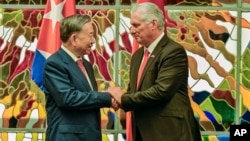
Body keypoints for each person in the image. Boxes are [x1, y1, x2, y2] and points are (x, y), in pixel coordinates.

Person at [106, 2, 202, 141]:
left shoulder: (173, 51)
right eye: (131, 25)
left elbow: (161, 91)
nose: (131, 31)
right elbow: (134, 92)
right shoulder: (138, 56)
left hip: (170, 133)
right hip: (142, 132)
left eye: (136, 25)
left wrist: (123, 98)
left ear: (153, 24)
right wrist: (117, 100)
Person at [43, 14, 118, 141]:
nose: (93, 40)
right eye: (90, 35)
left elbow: (88, 99)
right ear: (74, 39)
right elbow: (68, 99)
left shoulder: (86, 65)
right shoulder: (55, 63)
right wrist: (108, 98)